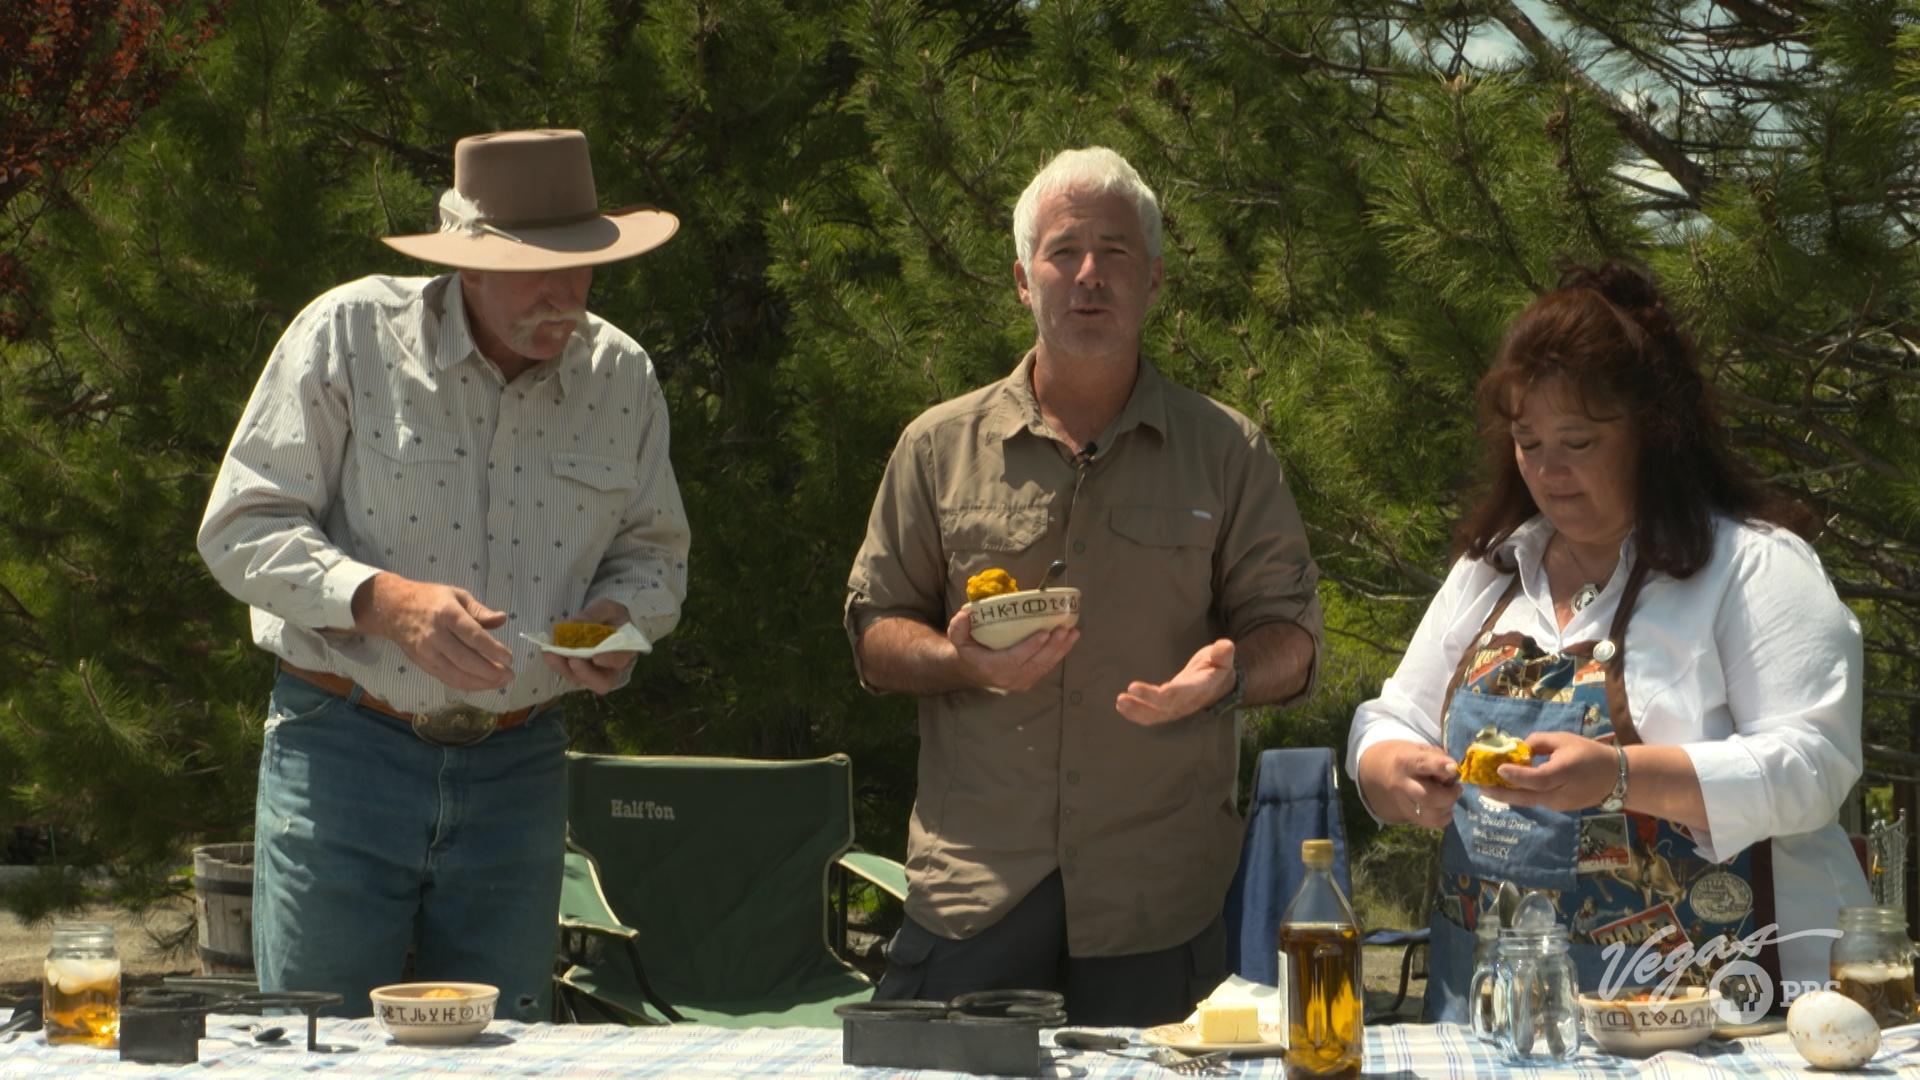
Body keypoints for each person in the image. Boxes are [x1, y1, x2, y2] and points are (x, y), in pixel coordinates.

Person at [197, 129, 690, 1018]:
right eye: (540, 268)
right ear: (466, 263)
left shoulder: (622, 375)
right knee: (321, 1046)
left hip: (522, 765)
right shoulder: (348, 336)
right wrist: (384, 602)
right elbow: (240, 526)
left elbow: (655, 552)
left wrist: (621, 620)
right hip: (344, 749)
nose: (566, 295)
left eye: (583, 269)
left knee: (506, 1051)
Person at [843, 147, 1323, 1025]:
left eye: (1116, 252)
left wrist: (1232, 677)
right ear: (1024, 280)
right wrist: (961, 662)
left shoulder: (1230, 453)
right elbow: (876, 633)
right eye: (1064, 252)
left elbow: (1291, 637)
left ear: (1154, 280)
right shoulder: (936, 448)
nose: (1089, 275)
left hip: (1159, 896)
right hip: (977, 888)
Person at [1346, 260, 1868, 1022]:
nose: (1548, 473)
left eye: (1579, 443)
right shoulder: (1491, 570)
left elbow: (1814, 768)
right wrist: (1388, 768)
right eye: (1528, 442)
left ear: (1655, 434)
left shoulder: (1751, 567)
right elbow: (1391, 716)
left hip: (1710, 1020)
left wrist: (1621, 777)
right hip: (1489, 1013)